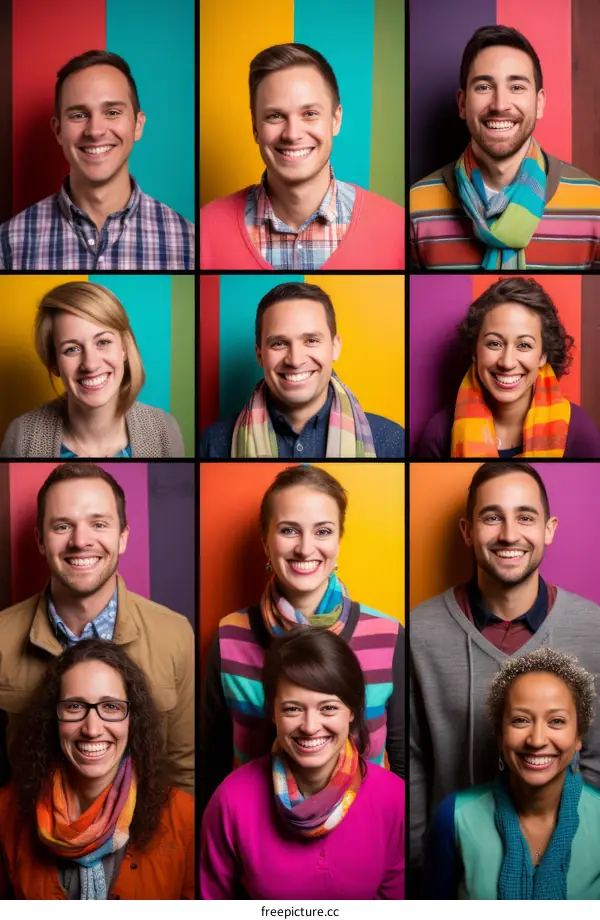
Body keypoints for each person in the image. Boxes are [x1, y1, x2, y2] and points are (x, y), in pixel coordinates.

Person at [409, 462, 600, 884]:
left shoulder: (594, 630)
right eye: (492, 517)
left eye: (525, 517)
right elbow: (414, 761)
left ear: (549, 529)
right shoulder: (419, 631)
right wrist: (422, 866)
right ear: (466, 531)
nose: (509, 534)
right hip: (456, 868)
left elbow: (596, 759)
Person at [201, 465, 404, 808]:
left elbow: (401, 758)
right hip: (257, 835)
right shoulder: (229, 636)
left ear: (339, 539)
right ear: (266, 539)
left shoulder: (388, 635)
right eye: (289, 530)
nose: (305, 548)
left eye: (322, 531)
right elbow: (211, 761)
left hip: (365, 830)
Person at [0, 462, 194, 795]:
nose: (80, 541)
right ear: (40, 540)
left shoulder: (175, 635)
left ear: (122, 537)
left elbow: (183, 772)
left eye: (99, 524)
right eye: (62, 526)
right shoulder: (3, 637)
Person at [201, 627, 404, 899]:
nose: (310, 727)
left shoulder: (394, 798)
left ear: (352, 711)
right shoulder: (230, 800)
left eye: (328, 707)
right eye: (293, 709)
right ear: (273, 713)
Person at [0, 640, 194, 899]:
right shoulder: (7, 813)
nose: (92, 729)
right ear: (52, 718)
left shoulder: (182, 815)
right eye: (74, 706)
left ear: (132, 719)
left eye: (111, 707)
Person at [410, 26, 600, 270]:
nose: (500, 105)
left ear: (539, 103)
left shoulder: (593, 203)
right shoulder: (416, 207)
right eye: (484, 87)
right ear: (462, 104)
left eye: (517, 87)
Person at [200, 43, 404, 270]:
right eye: (275, 116)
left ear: (335, 120)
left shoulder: (398, 228)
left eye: (309, 114)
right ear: (255, 127)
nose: (292, 134)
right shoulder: (205, 229)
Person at [424, 648, 600, 899]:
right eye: (520, 720)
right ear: (500, 735)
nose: (537, 740)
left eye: (556, 721)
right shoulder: (453, 817)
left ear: (578, 737)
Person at [0, 50, 194, 270]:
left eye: (112, 112)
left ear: (137, 125)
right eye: (79, 115)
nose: (95, 131)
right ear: (58, 130)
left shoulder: (188, 242)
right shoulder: (8, 244)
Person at [200, 281, 405, 458]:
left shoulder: (390, 440)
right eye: (279, 343)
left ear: (335, 347)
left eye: (311, 340)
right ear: (260, 355)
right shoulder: (215, 443)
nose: (295, 360)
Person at [417, 277, 600, 459]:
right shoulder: (439, 433)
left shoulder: (579, 432)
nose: (507, 362)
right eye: (495, 343)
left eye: (524, 345)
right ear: (475, 351)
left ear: (543, 355)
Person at [0, 281, 185, 459]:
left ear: (124, 349)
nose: (90, 364)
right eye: (72, 349)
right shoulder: (21, 437)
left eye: (103, 342)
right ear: (54, 364)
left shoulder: (164, 429)